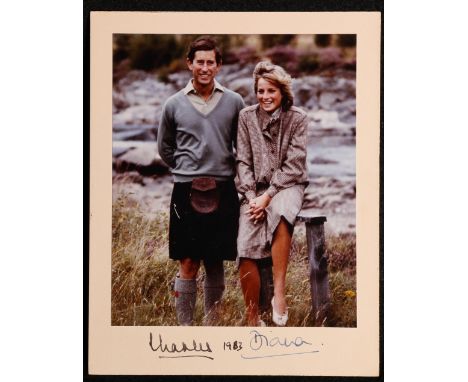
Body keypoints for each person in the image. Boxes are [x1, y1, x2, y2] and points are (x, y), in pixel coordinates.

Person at [158, 36, 245, 325]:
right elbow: (164, 147)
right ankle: (185, 328)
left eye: (210, 62)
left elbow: (241, 146)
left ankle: (212, 326)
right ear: (189, 64)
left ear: (218, 66)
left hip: (223, 187)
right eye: (199, 62)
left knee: (216, 260)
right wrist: (185, 169)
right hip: (185, 188)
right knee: (188, 261)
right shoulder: (173, 104)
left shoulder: (235, 102)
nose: (204, 67)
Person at [236, 61, 308, 326]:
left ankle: (279, 292)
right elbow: (242, 161)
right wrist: (251, 195)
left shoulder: (298, 118)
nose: (265, 96)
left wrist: (269, 196)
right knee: (245, 242)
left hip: (288, 184)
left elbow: (295, 165)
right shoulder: (245, 117)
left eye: (271, 91)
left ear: (282, 92)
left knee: (279, 211)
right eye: (260, 91)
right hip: (255, 190)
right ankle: (253, 318)